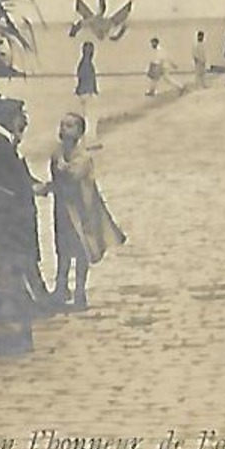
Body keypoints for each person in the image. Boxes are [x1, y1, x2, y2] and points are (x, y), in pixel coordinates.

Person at [50, 113, 126, 310]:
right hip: (63, 210)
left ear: (79, 132)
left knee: (81, 249)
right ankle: (61, 287)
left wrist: (60, 168)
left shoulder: (82, 158)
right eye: (62, 125)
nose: (64, 129)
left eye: (69, 126)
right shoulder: (58, 153)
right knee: (62, 250)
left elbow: (72, 176)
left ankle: (80, 292)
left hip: (81, 211)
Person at [0, 98, 47, 320]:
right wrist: (29, 189)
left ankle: (34, 297)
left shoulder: (4, 143)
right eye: (21, 116)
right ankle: (30, 300)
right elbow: (4, 181)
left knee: (22, 256)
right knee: (16, 256)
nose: (24, 121)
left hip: (16, 211)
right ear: (9, 119)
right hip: (10, 213)